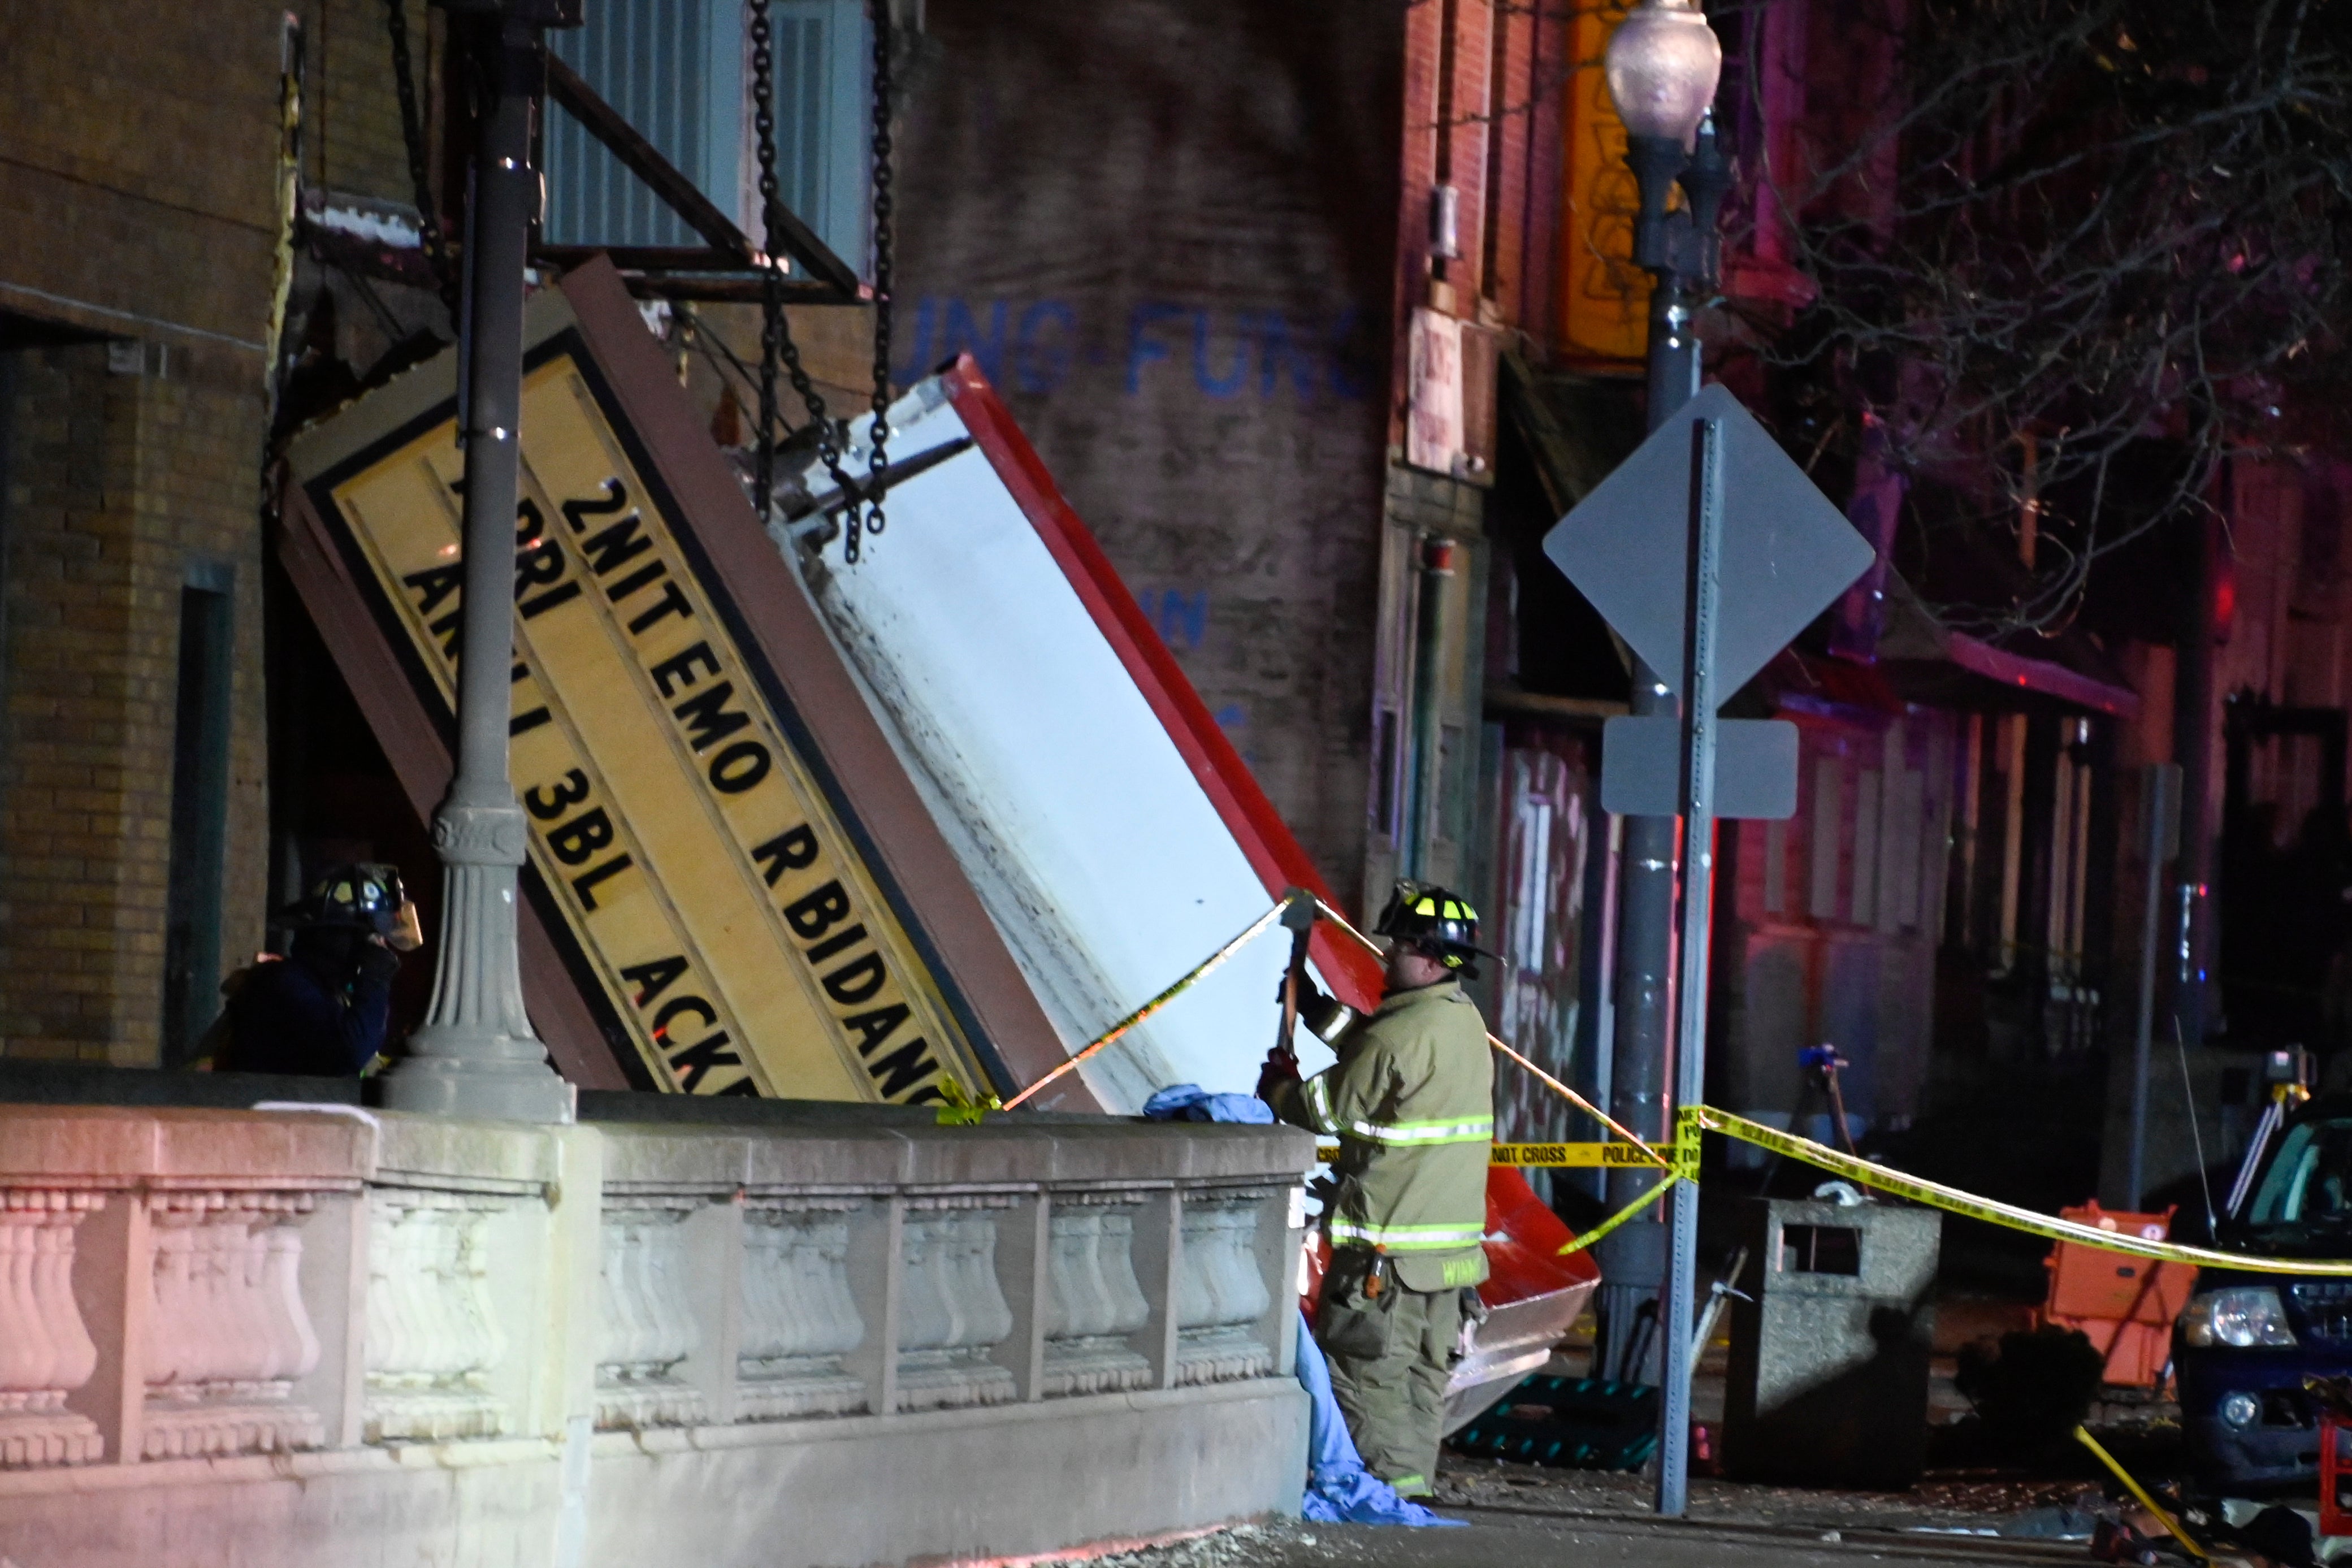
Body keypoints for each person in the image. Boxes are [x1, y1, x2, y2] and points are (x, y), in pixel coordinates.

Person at [1257, 880, 1495, 1500]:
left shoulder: (1399, 1035)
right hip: (1448, 1256)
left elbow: (1327, 1106)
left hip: (1386, 1252)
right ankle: (1415, 1490)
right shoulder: (1458, 1021)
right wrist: (1312, 1008)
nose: (1389, 954)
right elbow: (1375, 1052)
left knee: (1365, 1375)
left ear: (1432, 956)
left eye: (1400, 945)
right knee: (1419, 1377)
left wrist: (1279, 1085)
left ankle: (1392, 1496)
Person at [214, 863, 422, 1077]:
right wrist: (375, 981)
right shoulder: (285, 985)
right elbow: (349, 1053)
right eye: (375, 938)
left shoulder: (326, 993)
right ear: (343, 935)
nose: (380, 949)